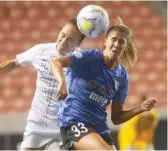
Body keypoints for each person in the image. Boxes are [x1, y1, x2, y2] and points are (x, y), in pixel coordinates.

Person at [51, 23, 156, 150]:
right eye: (114, 39)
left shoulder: (122, 77)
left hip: (100, 129)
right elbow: (56, 62)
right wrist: (62, 82)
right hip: (74, 122)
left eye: (121, 41)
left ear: (125, 46)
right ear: (105, 41)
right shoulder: (90, 57)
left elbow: (116, 118)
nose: (117, 44)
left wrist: (139, 108)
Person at [0, 19, 85, 150]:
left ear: (78, 43)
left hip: (67, 125)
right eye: (62, 35)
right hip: (38, 123)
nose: (62, 42)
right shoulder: (41, 51)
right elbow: (14, 63)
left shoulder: (83, 60)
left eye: (69, 40)